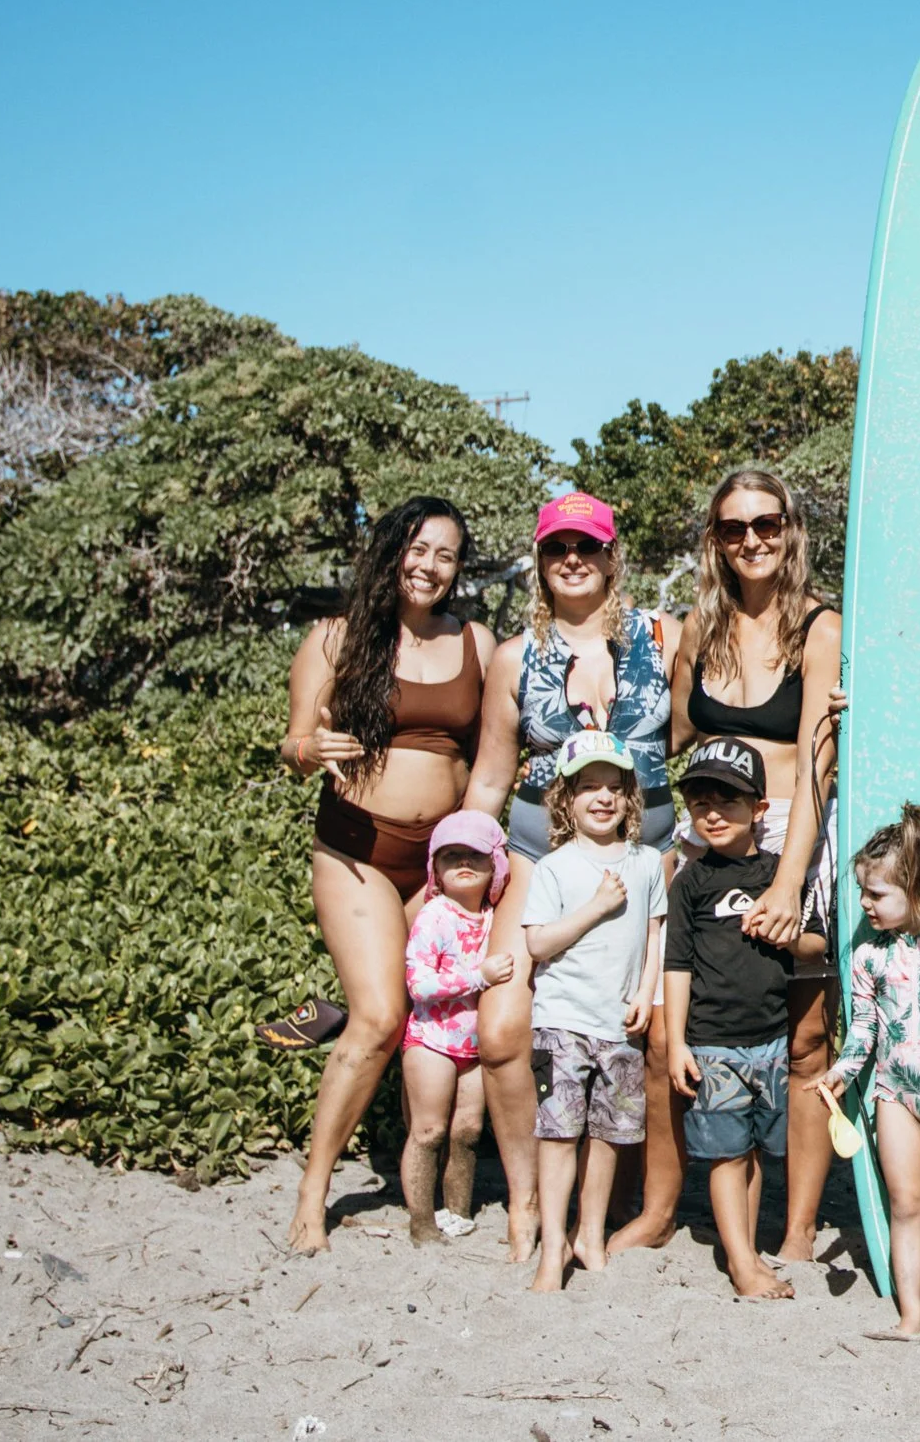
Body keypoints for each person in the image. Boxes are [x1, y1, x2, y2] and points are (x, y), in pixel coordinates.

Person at [275, 496, 497, 1253]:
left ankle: (422, 1184)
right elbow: (295, 739)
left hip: (444, 869)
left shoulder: (476, 641)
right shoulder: (336, 638)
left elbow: (497, 743)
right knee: (377, 1017)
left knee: (426, 1017)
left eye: (446, 553)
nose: (430, 565)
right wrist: (312, 750)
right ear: (390, 551)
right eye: (418, 548)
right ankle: (313, 1195)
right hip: (358, 849)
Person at [466, 491, 680, 1260]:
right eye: (558, 546)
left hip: (644, 862)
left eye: (588, 546)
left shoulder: (664, 636)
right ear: (540, 559)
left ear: (612, 556)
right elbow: (491, 776)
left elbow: (702, 728)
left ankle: (619, 1204)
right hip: (535, 855)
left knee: (640, 1029)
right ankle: (527, 1199)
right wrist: (457, 869)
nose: (573, 560)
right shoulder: (514, 657)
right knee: (501, 1029)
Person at [672, 468, 844, 1265]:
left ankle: (800, 1225)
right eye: (734, 528)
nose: (752, 540)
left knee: (804, 1034)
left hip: (792, 833)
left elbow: (817, 762)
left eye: (766, 524)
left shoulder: (820, 626)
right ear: (716, 540)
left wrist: (787, 881)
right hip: (710, 838)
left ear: (791, 529)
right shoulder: (694, 631)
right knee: (699, 1021)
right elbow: (676, 741)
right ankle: (671, 1205)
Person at [815, 802, 920, 1341]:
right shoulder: (868, 956)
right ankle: (911, 1314)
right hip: (894, 1090)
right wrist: (841, 1071)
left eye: (877, 894)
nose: (865, 904)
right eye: (863, 892)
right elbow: (862, 1031)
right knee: (905, 1203)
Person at [521, 731, 667, 1293]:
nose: (602, 798)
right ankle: (552, 1245)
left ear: (630, 797)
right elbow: (537, 945)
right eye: (588, 788)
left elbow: (656, 935)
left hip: (620, 1025)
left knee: (611, 1133)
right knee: (559, 1134)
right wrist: (598, 907)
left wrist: (645, 994)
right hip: (562, 1021)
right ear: (567, 799)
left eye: (613, 787)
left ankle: (590, 1233)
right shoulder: (556, 867)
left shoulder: (648, 862)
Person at [662, 736, 799, 1301]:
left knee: (756, 1152)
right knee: (724, 1153)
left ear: (760, 809)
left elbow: (813, 944)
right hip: (712, 1042)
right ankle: (742, 1264)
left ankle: (745, 1246)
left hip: (771, 1040)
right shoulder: (690, 881)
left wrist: (792, 931)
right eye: (700, 803)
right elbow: (676, 965)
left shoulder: (780, 876)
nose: (713, 813)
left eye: (729, 801)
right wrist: (675, 1042)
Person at [400, 811, 516, 1243]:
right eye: (450, 857)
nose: (463, 863)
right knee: (429, 1130)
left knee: (467, 1131)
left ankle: (457, 1211)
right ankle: (421, 1222)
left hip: (474, 1043)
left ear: (495, 867)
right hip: (432, 1038)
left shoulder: (494, 917)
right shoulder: (435, 916)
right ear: (436, 870)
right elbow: (420, 984)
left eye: (474, 855)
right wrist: (479, 977)